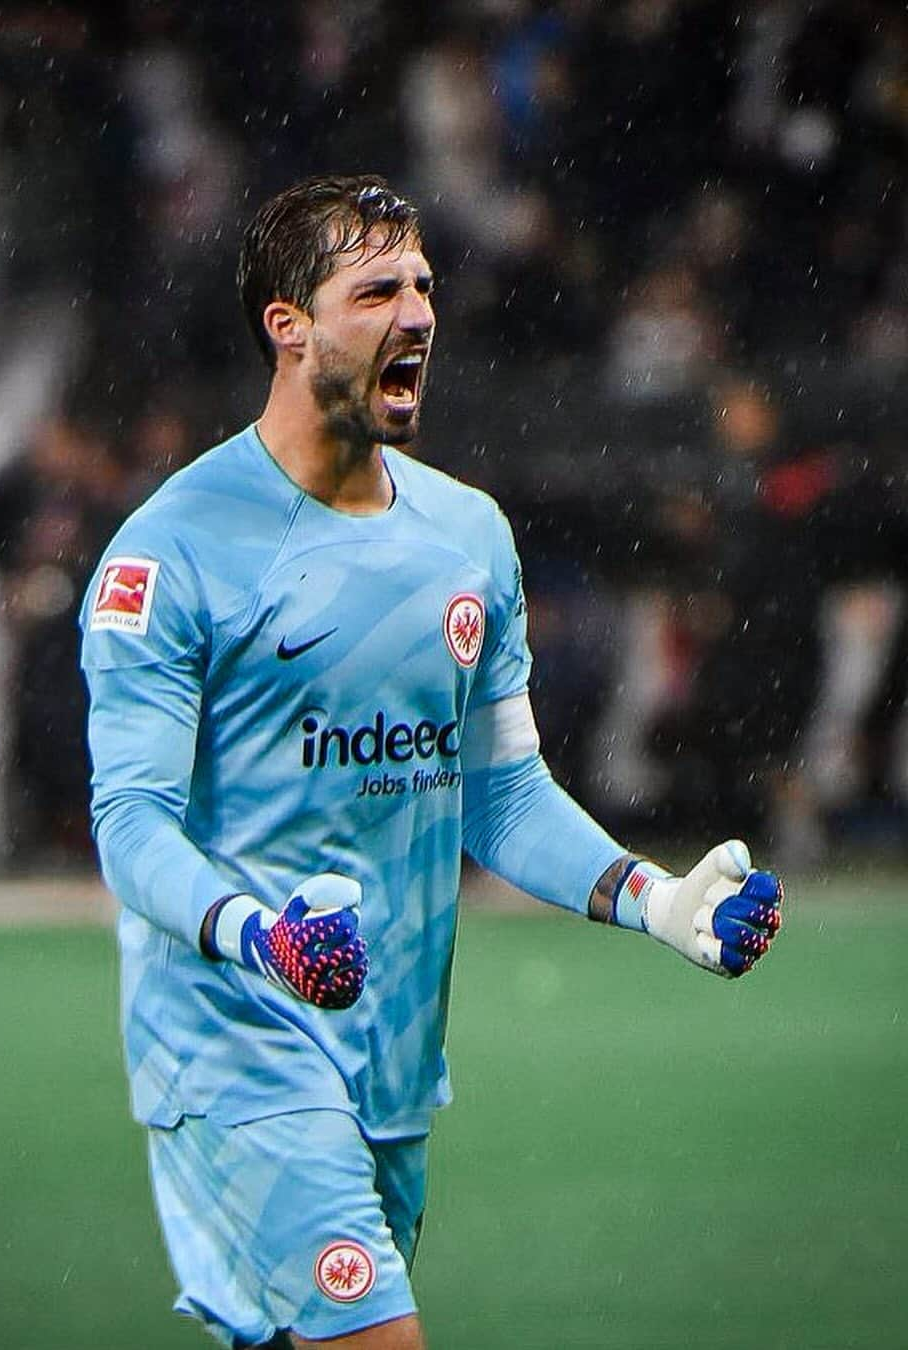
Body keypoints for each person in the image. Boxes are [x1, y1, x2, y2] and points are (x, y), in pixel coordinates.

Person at [79, 174, 783, 1350]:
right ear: (286, 325)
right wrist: (263, 936)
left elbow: (500, 794)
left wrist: (654, 900)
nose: (418, 315)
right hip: (236, 1044)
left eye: (422, 286)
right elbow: (132, 823)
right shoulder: (171, 551)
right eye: (375, 292)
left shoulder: (467, 536)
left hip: (394, 1061)